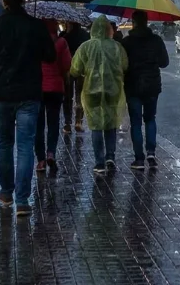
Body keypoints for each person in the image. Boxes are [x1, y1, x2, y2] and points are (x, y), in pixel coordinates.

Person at [0, 0, 54, 217]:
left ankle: (6, 192)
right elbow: (50, 56)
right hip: (29, 93)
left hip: (3, 93)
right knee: (26, 146)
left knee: (5, 144)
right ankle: (23, 200)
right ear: (24, 0)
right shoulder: (35, 25)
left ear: (4, 1)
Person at [71, 17, 128, 174]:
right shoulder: (117, 47)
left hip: (91, 91)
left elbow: (75, 69)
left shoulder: (85, 47)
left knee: (96, 126)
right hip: (113, 90)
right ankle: (110, 156)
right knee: (111, 123)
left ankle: (99, 162)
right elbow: (125, 65)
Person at [121, 11, 170, 170]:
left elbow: (122, 65)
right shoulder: (156, 40)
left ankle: (139, 159)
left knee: (135, 122)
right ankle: (151, 152)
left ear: (133, 22)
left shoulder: (127, 42)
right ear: (147, 22)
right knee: (150, 119)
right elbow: (164, 63)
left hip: (133, 87)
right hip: (151, 86)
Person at [36, 22, 72, 173]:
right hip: (56, 88)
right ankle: (51, 152)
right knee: (53, 123)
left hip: (38, 88)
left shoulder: (36, 42)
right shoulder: (61, 42)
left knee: (38, 125)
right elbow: (67, 65)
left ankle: (40, 160)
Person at [60, 21, 89, 135]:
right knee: (80, 97)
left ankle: (67, 123)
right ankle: (78, 122)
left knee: (67, 97)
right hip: (82, 70)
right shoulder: (85, 35)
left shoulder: (65, 36)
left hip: (68, 70)